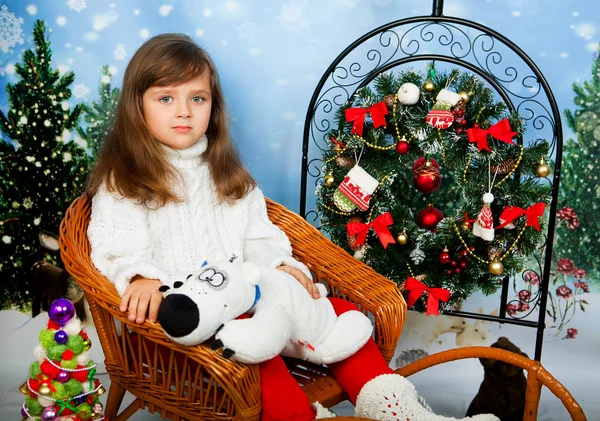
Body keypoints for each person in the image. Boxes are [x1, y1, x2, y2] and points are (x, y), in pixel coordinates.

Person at [86, 34, 498, 421]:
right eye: (165, 98)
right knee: (253, 347)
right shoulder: (125, 181)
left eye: (197, 98)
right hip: (184, 324)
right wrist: (140, 277)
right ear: (136, 107)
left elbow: (260, 237)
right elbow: (116, 244)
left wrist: (282, 266)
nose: (184, 111)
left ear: (213, 107)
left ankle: (398, 410)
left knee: (337, 314)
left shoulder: (225, 174)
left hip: (250, 301)